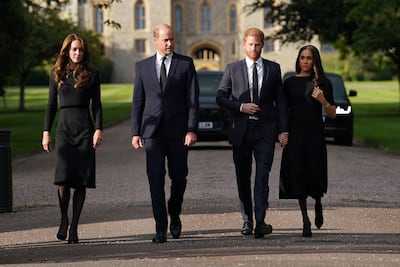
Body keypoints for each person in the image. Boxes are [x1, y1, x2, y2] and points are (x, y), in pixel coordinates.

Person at [216, 28, 288, 238]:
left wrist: (283, 130)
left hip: (265, 131)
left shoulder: (274, 69)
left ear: (263, 45)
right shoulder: (232, 69)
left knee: (262, 177)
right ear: (243, 44)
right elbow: (220, 97)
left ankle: (261, 221)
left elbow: (281, 102)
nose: (254, 48)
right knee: (243, 177)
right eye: (250, 44)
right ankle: (247, 219)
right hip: (241, 132)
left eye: (257, 44)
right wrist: (240, 107)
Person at [131, 23, 199, 243]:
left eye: (172, 39)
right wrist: (135, 132)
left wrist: (191, 129)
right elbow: (138, 102)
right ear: (155, 40)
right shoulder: (142, 67)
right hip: (152, 133)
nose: (170, 43)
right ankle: (161, 227)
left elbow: (192, 100)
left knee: (179, 178)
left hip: (179, 132)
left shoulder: (185, 64)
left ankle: (175, 212)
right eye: (165, 40)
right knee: (155, 179)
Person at [42, 33, 103, 244]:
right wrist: (46, 132)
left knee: (80, 181)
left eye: (81, 50)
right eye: (74, 49)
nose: (78, 53)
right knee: (63, 179)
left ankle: (75, 227)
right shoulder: (56, 73)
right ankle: (64, 219)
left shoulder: (92, 73)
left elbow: (97, 104)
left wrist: (98, 129)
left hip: (85, 129)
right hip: (64, 130)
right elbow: (51, 105)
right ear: (67, 51)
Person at [279, 45, 336, 237]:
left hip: (315, 134)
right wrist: (283, 132)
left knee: (315, 171)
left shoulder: (323, 83)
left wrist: (323, 100)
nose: (305, 61)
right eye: (302, 57)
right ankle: (305, 219)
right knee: (298, 173)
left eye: (309, 58)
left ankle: (318, 202)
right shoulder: (289, 83)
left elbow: (333, 113)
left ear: (315, 61)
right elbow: (283, 111)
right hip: (295, 135)